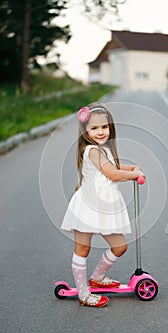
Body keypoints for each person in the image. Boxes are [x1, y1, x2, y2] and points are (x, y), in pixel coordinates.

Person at [61, 102, 145, 307]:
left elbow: (114, 166)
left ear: (110, 127)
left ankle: (97, 277)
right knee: (82, 248)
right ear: (85, 131)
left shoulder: (104, 150)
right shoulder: (92, 150)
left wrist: (132, 167)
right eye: (94, 128)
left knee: (120, 246)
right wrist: (134, 175)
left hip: (105, 206)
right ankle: (83, 293)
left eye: (104, 127)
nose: (100, 132)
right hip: (88, 206)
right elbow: (112, 173)